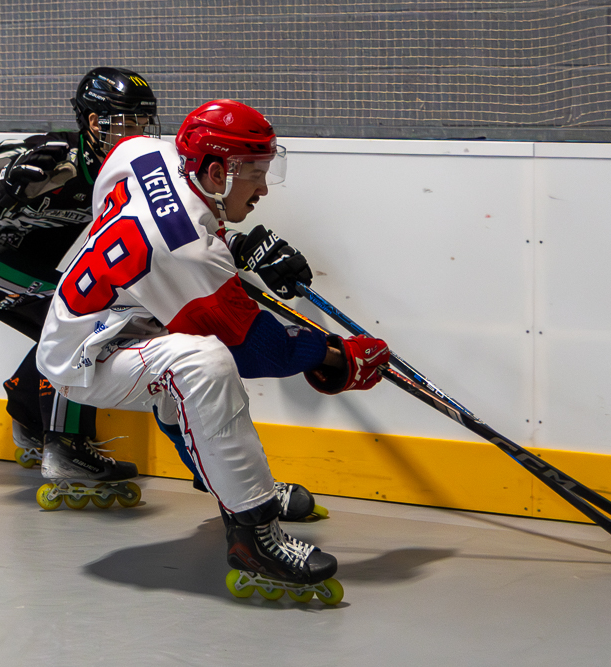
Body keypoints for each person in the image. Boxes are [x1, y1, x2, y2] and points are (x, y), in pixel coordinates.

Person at [35, 99, 390, 598]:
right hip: (85, 361)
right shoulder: (188, 251)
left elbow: (115, 203)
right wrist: (341, 357)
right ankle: (255, 537)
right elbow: (259, 351)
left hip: (99, 320)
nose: (264, 188)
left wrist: (225, 241)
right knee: (206, 362)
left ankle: (225, 483)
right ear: (217, 170)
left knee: (185, 371)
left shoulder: (143, 153)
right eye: (256, 173)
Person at [0, 67, 158, 480]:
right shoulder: (56, 154)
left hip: (2, 254)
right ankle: (66, 446)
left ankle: (30, 418)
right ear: (95, 122)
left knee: (75, 318)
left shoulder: (123, 177)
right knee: (83, 314)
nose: (139, 134)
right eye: (127, 123)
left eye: (144, 124)